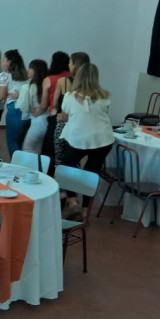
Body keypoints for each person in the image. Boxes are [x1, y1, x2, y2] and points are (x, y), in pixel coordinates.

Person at [59, 63, 114, 206]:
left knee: (66, 166)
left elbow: (66, 113)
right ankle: (85, 208)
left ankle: (72, 199)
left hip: (80, 138)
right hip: (103, 138)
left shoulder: (69, 96)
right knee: (91, 172)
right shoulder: (105, 95)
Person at [0, 49, 30, 157]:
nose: (2, 62)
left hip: (14, 109)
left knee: (12, 142)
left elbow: (0, 96)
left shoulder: (4, 75)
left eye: (4, 60)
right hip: (27, 110)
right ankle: (24, 167)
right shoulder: (25, 75)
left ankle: (15, 167)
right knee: (22, 142)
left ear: (9, 62)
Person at [52, 52, 91, 168]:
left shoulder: (63, 81)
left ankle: (61, 180)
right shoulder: (91, 85)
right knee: (74, 156)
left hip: (63, 124)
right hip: (81, 125)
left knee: (60, 156)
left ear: (74, 64)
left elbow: (54, 103)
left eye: (70, 63)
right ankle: (74, 181)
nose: (68, 65)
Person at [42, 51, 72, 168]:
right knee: (66, 148)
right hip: (71, 116)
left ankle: (51, 174)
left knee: (50, 148)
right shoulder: (72, 77)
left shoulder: (50, 79)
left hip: (56, 115)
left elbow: (46, 103)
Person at [20, 59, 50, 155]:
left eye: (30, 68)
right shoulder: (43, 85)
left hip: (38, 123)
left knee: (27, 149)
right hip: (44, 122)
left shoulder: (32, 86)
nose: (27, 70)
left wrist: (18, 96)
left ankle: (29, 169)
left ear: (36, 70)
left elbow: (25, 107)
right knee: (37, 151)